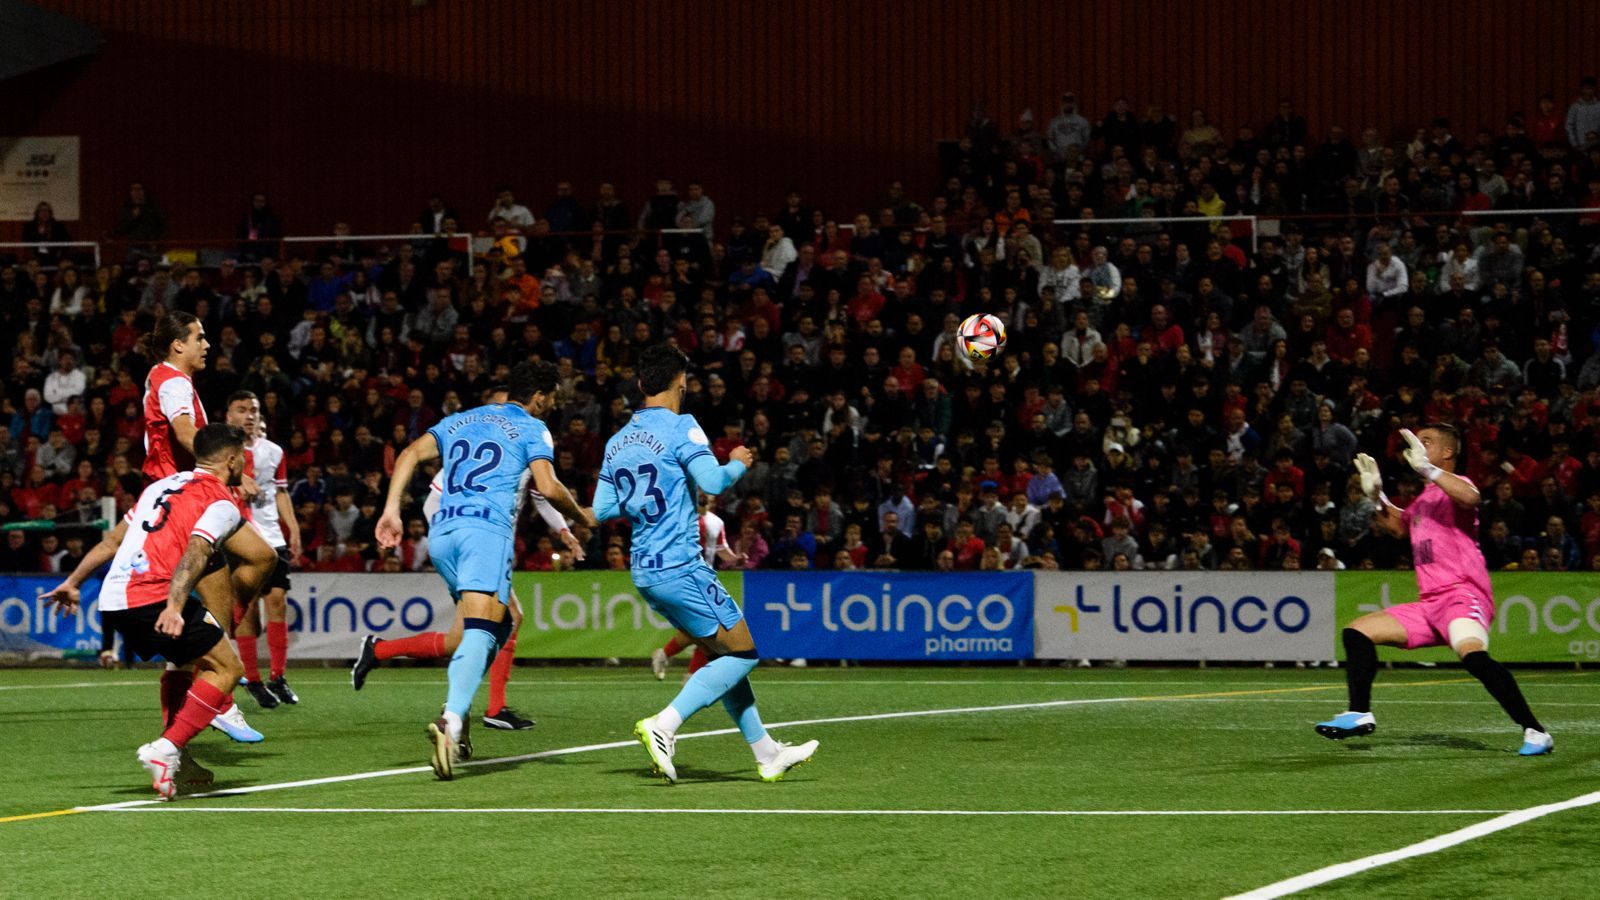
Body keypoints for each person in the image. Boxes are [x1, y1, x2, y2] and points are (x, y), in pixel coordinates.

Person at [599, 344, 818, 784]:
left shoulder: (616, 441)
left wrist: (647, 499)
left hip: (645, 570)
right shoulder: (682, 426)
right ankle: (665, 724)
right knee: (745, 653)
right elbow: (713, 481)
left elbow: (604, 508)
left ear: (641, 384)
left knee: (723, 654)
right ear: (681, 382)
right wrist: (736, 464)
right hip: (681, 565)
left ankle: (767, 753)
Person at [375, 361, 594, 780]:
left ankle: (458, 703)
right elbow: (548, 488)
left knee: (502, 622)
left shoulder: (462, 419)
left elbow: (408, 454)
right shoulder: (533, 428)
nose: (554, 404)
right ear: (540, 396)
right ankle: (452, 721)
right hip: (484, 532)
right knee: (480, 629)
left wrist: (391, 510)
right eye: (553, 397)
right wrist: (582, 517)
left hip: (443, 534)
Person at [46, 424, 276, 799]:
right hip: (152, 596)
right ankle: (167, 748)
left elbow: (112, 541)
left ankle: (179, 761)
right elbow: (198, 551)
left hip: (114, 598)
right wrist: (174, 605)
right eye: (244, 461)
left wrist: (72, 582)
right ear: (232, 461)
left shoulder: (160, 487)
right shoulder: (220, 501)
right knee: (228, 669)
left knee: (183, 661)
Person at [1317, 426, 1553, 756]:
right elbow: (1399, 527)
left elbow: (1471, 497)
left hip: (1462, 594)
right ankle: (1359, 712)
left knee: (1472, 656)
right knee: (1357, 632)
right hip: (1430, 603)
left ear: (1448, 452)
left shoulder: (1458, 486)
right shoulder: (1424, 498)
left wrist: (1428, 469)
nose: (1417, 444)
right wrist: (1376, 497)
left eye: (1426, 441)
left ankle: (1536, 731)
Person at [226, 393, 303, 708]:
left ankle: (278, 676)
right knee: (246, 610)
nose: (249, 415)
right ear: (229, 416)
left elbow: (281, 492)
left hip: (272, 537)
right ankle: (253, 680)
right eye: (241, 410)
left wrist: (293, 528)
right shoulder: (222, 452)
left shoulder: (274, 451)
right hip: (238, 536)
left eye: (253, 411)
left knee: (277, 602)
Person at [651, 490, 743, 680]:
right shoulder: (680, 516)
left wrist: (735, 559)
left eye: (707, 490)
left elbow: (721, 549)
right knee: (709, 627)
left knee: (700, 628)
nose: (703, 493)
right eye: (699, 489)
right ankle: (691, 675)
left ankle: (665, 656)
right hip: (682, 578)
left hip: (705, 580)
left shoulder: (716, 522)